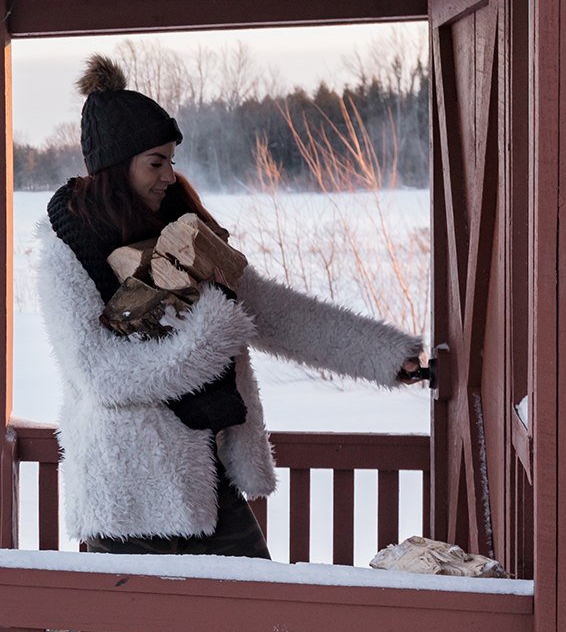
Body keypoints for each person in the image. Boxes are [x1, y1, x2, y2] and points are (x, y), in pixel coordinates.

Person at [36, 55, 426, 557]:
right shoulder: (68, 250)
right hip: (128, 493)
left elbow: (274, 312)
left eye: (172, 161)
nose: (169, 176)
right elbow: (99, 374)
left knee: (258, 624)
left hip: (206, 477)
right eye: (156, 162)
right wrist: (210, 335)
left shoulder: (185, 233)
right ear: (117, 164)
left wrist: (388, 355)